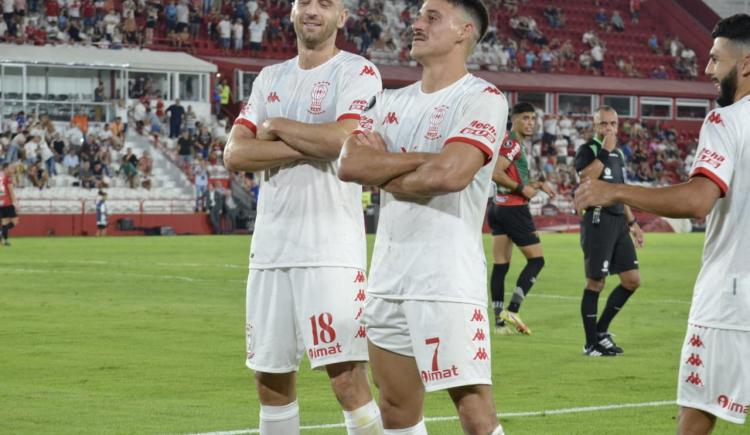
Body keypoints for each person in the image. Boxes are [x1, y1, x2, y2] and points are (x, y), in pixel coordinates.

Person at [574, 13, 750, 434]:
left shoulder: (726, 120)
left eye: (715, 59)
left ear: (745, 64)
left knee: (695, 417)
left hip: (732, 298)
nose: (706, 69)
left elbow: (697, 200)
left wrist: (616, 191)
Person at [337, 0, 507, 433]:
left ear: (463, 31)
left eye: (432, 16)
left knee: (473, 410)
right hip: (389, 279)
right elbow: (351, 165)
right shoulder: (387, 101)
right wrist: (423, 163)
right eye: (417, 15)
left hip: (446, 280)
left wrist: (389, 164)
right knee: (394, 409)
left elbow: (451, 174)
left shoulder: (482, 98)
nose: (416, 23)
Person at [222, 0, 383, 433]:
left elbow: (345, 140)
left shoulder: (358, 72)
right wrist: (312, 142)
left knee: (347, 378)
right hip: (271, 250)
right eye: (304, 2)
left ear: (342, 18)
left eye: (325, 3)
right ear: (291, 13)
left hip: (331, 248)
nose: (313, 10)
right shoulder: (270, 77)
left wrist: (275, 125)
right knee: (270, 379)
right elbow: (235, 153)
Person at [574, 105, 645, 357]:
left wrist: (632, 222)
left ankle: (601, 332)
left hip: (618, 221)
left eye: (613, 124)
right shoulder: (589, 149)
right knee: (596, 282)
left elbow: (620, 190)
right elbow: (586, 178)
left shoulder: (619, 154)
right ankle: (590, 343)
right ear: (595, 126)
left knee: (632, 280)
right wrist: (604, 149)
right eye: (604, 124)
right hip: (597, 220)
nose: (609, 128)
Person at [488, 102, 555, 335]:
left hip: (498, 208)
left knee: (501, 265)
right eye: (525, 118)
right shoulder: (513, 143)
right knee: (537, 261)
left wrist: (536, 184)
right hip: (514, 209)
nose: (530, 122)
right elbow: (496, 172)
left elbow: (506, 175)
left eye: (533, 118)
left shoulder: (508, 142)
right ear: (514, 119)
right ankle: (513, 309)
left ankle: (498, 322)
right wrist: (523, 189)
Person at [0, 162, 18, 246]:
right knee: (15, 221)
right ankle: (1, 233)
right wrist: (15, 203)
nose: (11, 170)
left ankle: (5, 241)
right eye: (10, 168)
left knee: (5, 222)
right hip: (7, 203)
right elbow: (11, 192)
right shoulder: (8, 177)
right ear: (5, 169)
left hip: (1, 203)